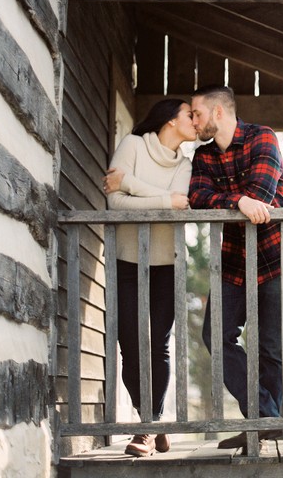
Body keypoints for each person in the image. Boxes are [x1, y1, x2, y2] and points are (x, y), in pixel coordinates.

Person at [188, 85, 283, 450]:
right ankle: (266, 417)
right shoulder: (203, 156)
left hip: (276, 253)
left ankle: (263, 425)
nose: (193, 121)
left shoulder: (261, 138)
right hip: (234, 259)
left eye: (197, 114)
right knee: (215, 337)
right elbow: (198, 198)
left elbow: (262, 193)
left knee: (270, 345)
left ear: (218, 113)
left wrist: (242, 200)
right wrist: (237, 200)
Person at [103, 99, 196, 457]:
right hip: (127, 260)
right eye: (190, 114)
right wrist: (163, 198)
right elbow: (116, 204)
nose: (195, 120)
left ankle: (147, 425)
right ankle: (153, 423)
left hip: (167, 263)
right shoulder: (133, 145)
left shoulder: (185, 164)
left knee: (158, 343)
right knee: (130, 343)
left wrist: (130, 184)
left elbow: (181, 203)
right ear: (171, 119)